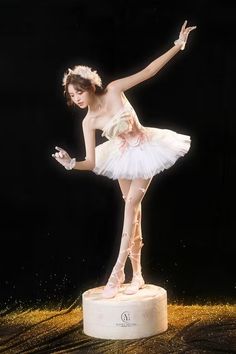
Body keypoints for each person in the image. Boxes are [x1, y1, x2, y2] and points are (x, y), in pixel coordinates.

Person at [52, 20, 197, 299]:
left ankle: (117, 272)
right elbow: (92, 163)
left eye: (79, 91)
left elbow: (148, 71)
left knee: (132, 202)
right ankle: (138, 274)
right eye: (72, 95)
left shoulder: (115, 89)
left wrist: (177, 46)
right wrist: (70, 163)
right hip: (119, 157)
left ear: (90, 87)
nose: (77, 98)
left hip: (144, 149)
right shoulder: (88, 122)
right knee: (133, 209)